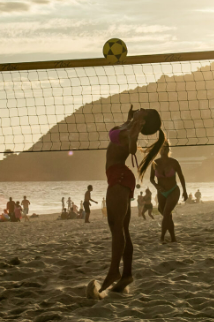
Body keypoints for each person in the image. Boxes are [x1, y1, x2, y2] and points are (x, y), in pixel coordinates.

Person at [87, 105, 163, 299]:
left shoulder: (132, 130)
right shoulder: (130, 125)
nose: (140, 108)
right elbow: (123, 136)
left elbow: (130, 149)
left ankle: (114, 271)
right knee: (122, 229)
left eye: (143, 110)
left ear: (144, 120)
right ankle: (126, 274)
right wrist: (130, 120)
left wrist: (134, 132)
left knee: (116, 227)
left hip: (119, 177)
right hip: (118, 177)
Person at [151, 138, 188, 244]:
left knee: (167, 213)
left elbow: (181, 177)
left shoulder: (174, 162)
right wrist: (156, 185)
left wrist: (185, 191)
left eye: (166, 148)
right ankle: (173, 238)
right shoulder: (155, 163)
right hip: (161, 192)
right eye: (162, 149)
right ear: (159, 150)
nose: (164, 150)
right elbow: (151, 178)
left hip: (173, 190)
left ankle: (162, 238)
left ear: (168, 150)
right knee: (166, 214)